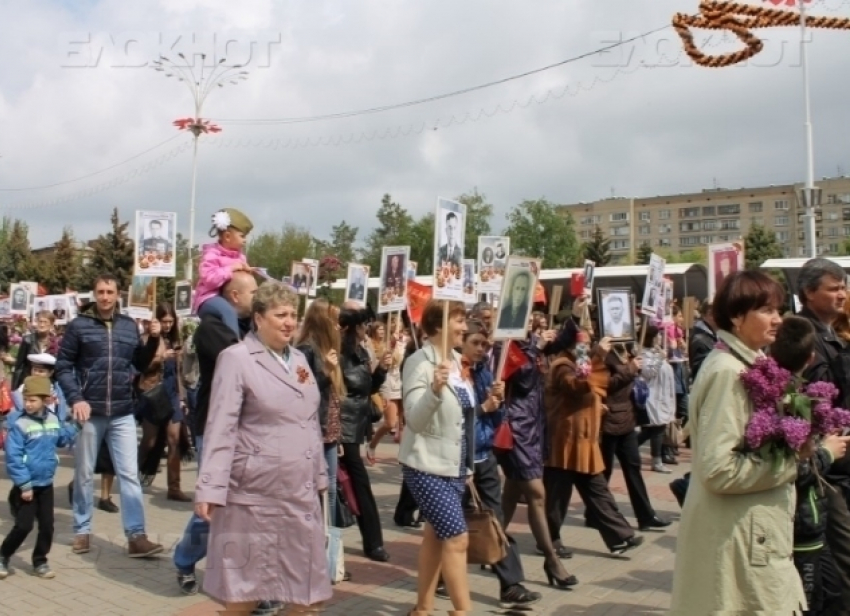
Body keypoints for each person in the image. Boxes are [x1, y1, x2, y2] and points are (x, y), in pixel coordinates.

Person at [670, 270, 807, 614]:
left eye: (778, 310)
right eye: (766, 310)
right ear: (735, 316)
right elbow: (719, 470)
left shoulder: (749, 363)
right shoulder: (729, 372)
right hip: (742, 537)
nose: (777, 319)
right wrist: (794, 462)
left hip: (749, 533)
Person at [194, 281, 331, 615]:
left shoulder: (298, 358)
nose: (289, 322)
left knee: (309, 592)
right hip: (253, 494)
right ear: (258, 318)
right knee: (244, 590)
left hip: (299, 492)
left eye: (293, 315)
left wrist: (320, 473)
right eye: (280, 314)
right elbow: (220, 426)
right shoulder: (236, 359)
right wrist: (210, 486)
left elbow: (309, 419)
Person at [55, 273, 164, 558]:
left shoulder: (128, 326)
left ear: (118, 295)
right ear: (94, 294)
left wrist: (153, 339)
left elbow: (138, 364)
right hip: (89, 411)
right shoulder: (79, 326)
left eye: (110, 292)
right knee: (84, 473)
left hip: (122, 412)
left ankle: (136, 536)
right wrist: (76, 398)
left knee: (129, 475)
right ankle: (82, 528)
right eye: (100, 292)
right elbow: (63, 366)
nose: (105, 297)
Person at [172, 271, 257, 596]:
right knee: (214, 502)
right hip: (217, 426)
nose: (257, 298)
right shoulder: (211, 329)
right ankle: (184, 558)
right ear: (234, 296)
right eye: (252, 293)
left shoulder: (250, 327)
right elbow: (246, 361)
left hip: (249, 426)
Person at [399, 300, 475, 614]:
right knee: (457, 540)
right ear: (440, 324)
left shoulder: (459, 361)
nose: (465, 327)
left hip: (454, 466)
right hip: (425, 464)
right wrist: (433, 389)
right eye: (459, 320)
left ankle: (422, 609)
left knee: (434, 536)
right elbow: (415, 420)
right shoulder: (420, 361)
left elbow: (461, 417)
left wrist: (489, 404)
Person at [772, 315, 850, 614]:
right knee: (808, 599)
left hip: (813, 516)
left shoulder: (793, 392)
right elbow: (792, 470)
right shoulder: (784, 398)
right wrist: (826, 452)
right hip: (802, 521)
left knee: (828, 593)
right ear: (811, 357)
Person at [544, 325, 640, 556]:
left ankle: (620, 536)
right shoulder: (562, 365)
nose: (585, 348)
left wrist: (599, 406)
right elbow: (578, 385)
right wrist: (596, 355)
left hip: (586, 441)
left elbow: (595, 387)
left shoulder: (579, 363)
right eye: (582, 344)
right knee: (557, 497)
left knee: (598, 491)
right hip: (565, 442)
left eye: (588, 344)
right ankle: (548, 539)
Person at [795, 257, 850, 609]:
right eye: (834, 289)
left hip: (840, 463)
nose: (842, 295)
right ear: (809, 292)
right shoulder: (805, 337)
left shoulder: (830, 334)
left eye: (843, 287)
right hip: (825, 470)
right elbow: (813, 404)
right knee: (843, 562)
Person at [0, 376, 80, 580]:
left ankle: (40, 561)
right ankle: (3, 556)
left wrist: (76, 427)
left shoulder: (53, 419)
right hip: (27, 485)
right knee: (24, 526)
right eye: (26, 399)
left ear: (45, 400)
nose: (28, 403)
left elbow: (61, 438)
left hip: (46, 483)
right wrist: (24, 485)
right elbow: (13, 457)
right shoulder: (20, 424)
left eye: (33, 400)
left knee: (47, 526)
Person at [295, 298, 351, 583]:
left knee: (328, 487)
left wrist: (337, 434)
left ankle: (325, 552)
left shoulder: (328, 349)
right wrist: (325, 373)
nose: (338, 325)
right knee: (317, 488)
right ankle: (314, 552)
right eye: (333, 319)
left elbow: (334, 400)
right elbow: (302, 388)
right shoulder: (305, 350)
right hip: (313, 429)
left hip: (328, 430)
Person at [338, 303, 391, 562]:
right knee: (357, 483)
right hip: (342, 427)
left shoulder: (359, 350)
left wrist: (381, 370)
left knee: (356, 483)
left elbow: (367, 387)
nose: (365, 330)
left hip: (355, 425)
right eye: (361, 326)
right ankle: (372, 542)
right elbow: (340, 390)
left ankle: (373, 542)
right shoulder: (338, 352)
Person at [135, 303, 191, 501]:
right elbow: (142, 366)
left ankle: (174, 487)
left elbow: (180, 371)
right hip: (154, 393)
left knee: (175, 439)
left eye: (170, 321)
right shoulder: (148, 339)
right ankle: (132, 478)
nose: (167, 325)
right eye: (164, 321)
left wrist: (182, 397)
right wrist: (161, 358)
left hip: (173, 393)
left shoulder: (175, 339)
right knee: (149, 441)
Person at [191, 207, 254, 338]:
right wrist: (229, 269)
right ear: (227, 236)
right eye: (242, 236)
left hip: (228, 298)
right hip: (208, 298)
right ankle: (234, 346)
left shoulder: (240, 257)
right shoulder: (211, 254)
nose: (245, 240)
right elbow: (208, 279)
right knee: (228, 312)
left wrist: (247, 272)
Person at [636, 323, 676, 474]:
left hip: (662, 396)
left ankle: (630, 449)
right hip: (652, 397)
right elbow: (648, 373)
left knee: (653, 429)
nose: (660, 337)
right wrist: (660, 359)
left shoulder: (656, 352)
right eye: (658, 335)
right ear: (651, 338)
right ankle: (656, 461)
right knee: (655, 429)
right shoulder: (643, 354)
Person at [12, 311, 60, 389]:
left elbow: (57, 367)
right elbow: (19, 366)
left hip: (47, 384)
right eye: (40, 321)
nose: (42, 324)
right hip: (28, 382)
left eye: (45, 322)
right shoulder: (28, 340)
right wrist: (15, 388)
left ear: (51, 325)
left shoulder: (56, 343)